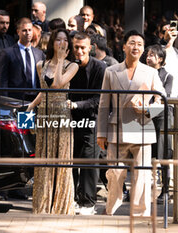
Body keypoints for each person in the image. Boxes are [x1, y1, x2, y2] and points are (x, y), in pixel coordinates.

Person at [97, 30, 166, 216]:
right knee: (114, 174)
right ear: (124, 46)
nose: (136, 47)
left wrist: (146, 110)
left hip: (141, 127)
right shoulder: (110, 71)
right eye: (132, 43)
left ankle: (140, 213)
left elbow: (163, 101)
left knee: (142, 175)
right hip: (116, 128)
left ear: (143, 49)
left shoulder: (151, 72)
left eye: (139, 44)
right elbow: (104, 104)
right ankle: (111, 210)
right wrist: (100, 133)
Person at [26, 28, 79, 215]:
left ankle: (61, 206)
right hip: (44, 113)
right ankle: (42, 204)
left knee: (61, 158)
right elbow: (44, 90)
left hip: (61, 113)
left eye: (65, 40)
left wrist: (61, 61)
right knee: (43, 156)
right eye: (58, 40)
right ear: (52, 43)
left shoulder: (72, 65)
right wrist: (31, 106)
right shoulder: (41, 64)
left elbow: (57, 84)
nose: (62, 43)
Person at [68, 32, 106, 215]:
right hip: (69, 120)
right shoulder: (68, 66)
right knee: (71, 161)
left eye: (83, 47)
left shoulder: (100, 67)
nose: (79, 51)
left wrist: (76, 104)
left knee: (89, 162)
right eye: (76, 47)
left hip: (91, 119)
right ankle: (72, 198)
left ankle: (89, 202)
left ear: (90, 48)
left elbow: (98, 99)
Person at [145, 44, 174, 203]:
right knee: (142, 152)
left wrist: (147, 112)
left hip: (161, 117)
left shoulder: (168, 76)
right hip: (143, 116)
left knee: (163, 154)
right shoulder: (142, 72)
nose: (148, 58)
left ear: (160, 59)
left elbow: (165, 97)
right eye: (148, 55)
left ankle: (165, 191)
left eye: (152, 55)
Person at [0, 17, 45, 100]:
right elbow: (3, 80)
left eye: (30, 30)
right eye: (24, 30)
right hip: (16, 98)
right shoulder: (8, 53)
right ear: (18, 32)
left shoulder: (39, 53)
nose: (28, 33)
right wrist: (4, 100)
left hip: (36, 98)